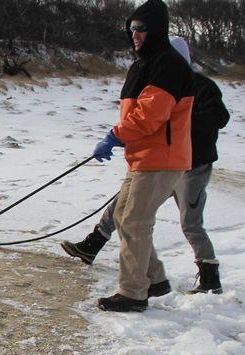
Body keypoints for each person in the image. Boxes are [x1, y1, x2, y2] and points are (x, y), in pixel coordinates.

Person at [61, 36, 230, 297]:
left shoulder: (201, 85)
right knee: (124, 206)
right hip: (158, 160)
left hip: (193, 167)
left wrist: (177, 125)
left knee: (190, 223)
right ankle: (92, 245)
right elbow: (144, 118)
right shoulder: (155, 82)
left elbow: (219, 117)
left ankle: (209, 277)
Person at [75, 0, 195, 312]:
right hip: (144, 157)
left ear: (156, 30)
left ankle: (132, 293)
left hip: (161, 159)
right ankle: (154, 279)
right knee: (122, 216)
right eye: (131, 29)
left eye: (141, 28)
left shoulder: (167, 64)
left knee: (135, 221)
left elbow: (150, 116)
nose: (135, 34)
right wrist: (121, 138)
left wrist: (116, 135)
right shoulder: (146, 62)